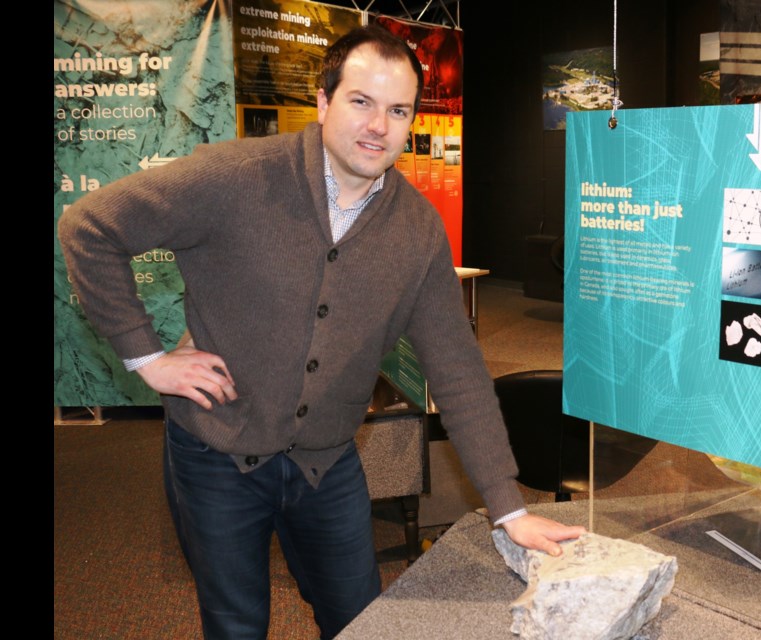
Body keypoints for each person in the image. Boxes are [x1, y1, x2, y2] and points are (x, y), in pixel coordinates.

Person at [59, 25, 585, 639]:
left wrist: (509, 506)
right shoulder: (236, 176)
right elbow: (89, 227)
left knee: (360, 620)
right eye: (360, 101)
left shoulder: (416, 230)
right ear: (323, 101)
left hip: (327, 461)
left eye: (397, 110)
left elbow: (458, 367)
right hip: (216, 454)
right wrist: (148, 357)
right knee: (235, 625)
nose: (378, 126)